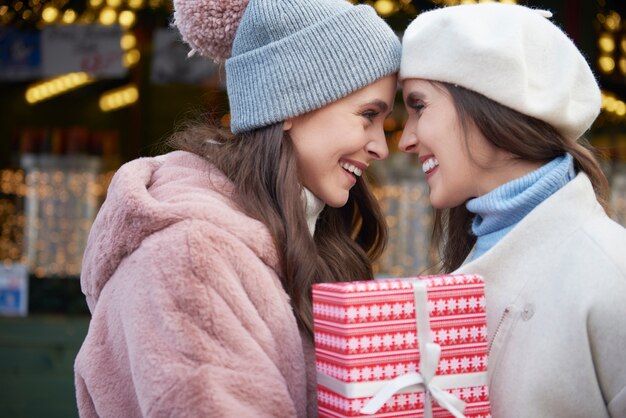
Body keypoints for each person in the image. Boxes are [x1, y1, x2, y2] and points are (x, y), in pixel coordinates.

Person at [73, 0, 401, 416]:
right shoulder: (190, 257)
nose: (381, 147)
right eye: (368, 115)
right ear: (290, 104)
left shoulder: (291, 230)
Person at [398, 3, 626, 417]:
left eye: (419, 106)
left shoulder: (612, 275)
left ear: (486, 102)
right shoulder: (468, 258)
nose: (405, 140)